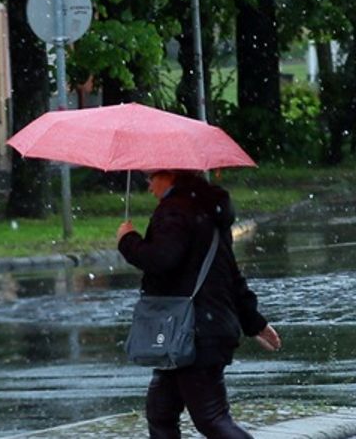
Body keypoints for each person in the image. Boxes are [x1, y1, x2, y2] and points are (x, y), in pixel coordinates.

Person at [117, 169, 281, 439]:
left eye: (150, 178)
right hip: (195, 331)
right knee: (161, 412)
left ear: (169, 175)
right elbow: (230, 276)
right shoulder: (209, 211)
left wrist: (128, 241)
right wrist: (255, 323)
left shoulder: (175, 211)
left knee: (211, 419)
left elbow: (161, 260)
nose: (148, 187)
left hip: (191, 332)